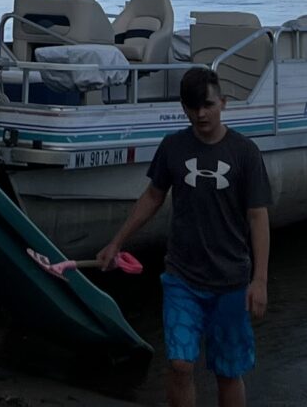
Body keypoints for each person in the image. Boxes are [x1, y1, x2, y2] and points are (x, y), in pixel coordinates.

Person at [91, 66, 271, 404]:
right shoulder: (173, 146)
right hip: (182, 278)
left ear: (224, 103)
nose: (200, 114)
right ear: (183, 107)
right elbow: (152, 197)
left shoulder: (245, 153)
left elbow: (258, 217)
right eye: (192, 107)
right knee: (179, 364)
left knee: (228, 371)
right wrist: (116, 242)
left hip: (231, 281)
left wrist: (259, 280)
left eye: (208, 105)